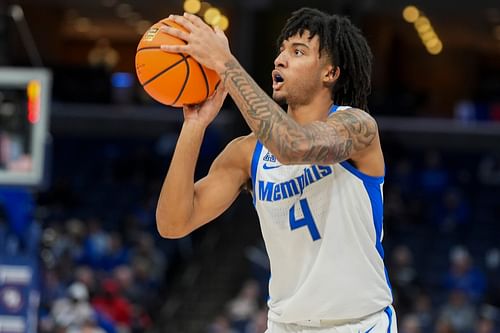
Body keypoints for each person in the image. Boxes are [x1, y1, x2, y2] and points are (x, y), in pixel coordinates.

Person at [157, 7, 396, 333]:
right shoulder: (246, 152)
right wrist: (194, 126)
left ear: (330, 73)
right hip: (286, 325)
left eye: (297, 52)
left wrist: (226, 63)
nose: (280, 59)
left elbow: (293, 146)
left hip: (358, 325)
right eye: (281, 50)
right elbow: (173, 223)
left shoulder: (356, 127)